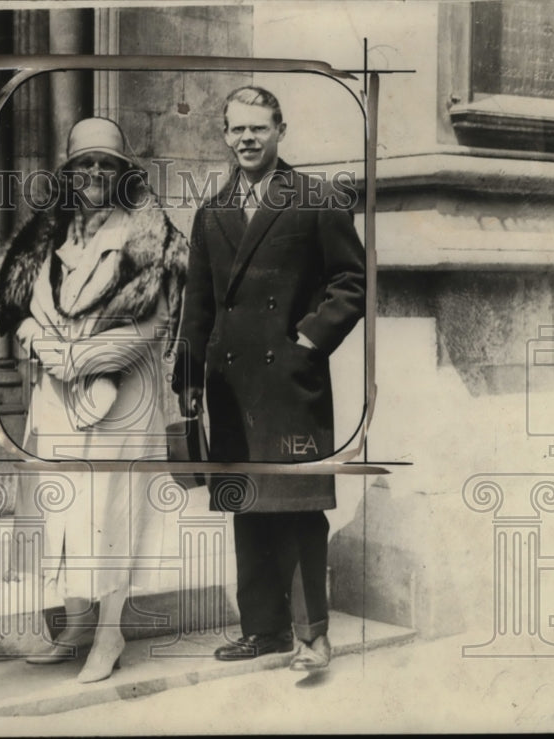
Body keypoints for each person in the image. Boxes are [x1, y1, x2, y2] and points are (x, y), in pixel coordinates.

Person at [172, 86, 365, 670]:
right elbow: (197, 304)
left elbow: (352, 282)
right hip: (230, 387)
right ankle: (263, 629)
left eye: (258, 128)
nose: (247, 139)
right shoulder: (212, 211)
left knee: (300, 508)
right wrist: (189, 379)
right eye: (236, 130)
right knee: (245, 503)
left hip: (289, 384)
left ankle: (313, 635)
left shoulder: (315, 199)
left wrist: (308, 341)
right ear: (225, 136)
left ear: (281, 129)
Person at [0, 117, 188, 683]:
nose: (95, 173)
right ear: (69, 174)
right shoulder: (47, 237)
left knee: (111, 512)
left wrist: (81, 359)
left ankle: (110, 634)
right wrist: (38, 342)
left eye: (107, 164)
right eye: (85, 164)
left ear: (124, 174)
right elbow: (23, 312)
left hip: (119, 399)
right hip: (56, 400)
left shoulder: (148, 238)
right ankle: (77, 624)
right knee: (60, 510)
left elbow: (153, 326)